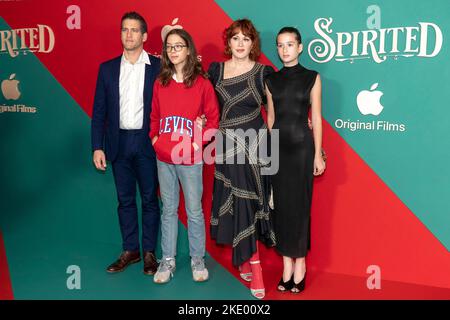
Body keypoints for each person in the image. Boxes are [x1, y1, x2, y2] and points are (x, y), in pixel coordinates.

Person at [209, 19, 275, 299]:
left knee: (249, 201)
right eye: (235, 38)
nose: (240, 43)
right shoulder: (215, 70)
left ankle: (255, 266)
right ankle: (247, 259)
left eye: (246, 39)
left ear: (253, 43)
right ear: (229, 41)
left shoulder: (264, 73)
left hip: (256, 147)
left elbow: (272, 115)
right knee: (237, 201)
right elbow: (205, 103)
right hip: (226, 146)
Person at [91, 12, 160, 275]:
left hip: (147, 144)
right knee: (125, 200)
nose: (128, 34)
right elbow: (99, 112)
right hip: (117, 143)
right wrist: (98, 146)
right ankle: (130, 250)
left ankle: (150, 253)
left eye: (134, 30)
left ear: (144, 36)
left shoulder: (157, 67)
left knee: (150, 200)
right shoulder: (107, 69)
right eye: (124, 30)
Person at [150, 29, 219, 284]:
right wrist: (155, 139)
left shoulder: (202, 83)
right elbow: (154, 116)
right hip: (164, 158)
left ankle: (197, 259)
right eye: (169, 47)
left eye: (179, 46)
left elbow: (213, 120)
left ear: (189, 49)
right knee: (168, 209)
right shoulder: (160, 83)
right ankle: (167, 261)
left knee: (193, 210)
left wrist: (197, 144)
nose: (173, 50)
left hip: (191, 159)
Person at [265, 27, 326, 294]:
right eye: (280, 45)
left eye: (290, 44)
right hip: (278, 151)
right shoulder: (271, 80)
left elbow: (317, 118)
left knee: (299, 208)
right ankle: (286, 265)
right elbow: (270, 119)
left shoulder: (312, 77)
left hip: (302, 149)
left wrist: (318, 154)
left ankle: (300, 264)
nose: (285, 49)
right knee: (280, 209)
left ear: (300, 47)